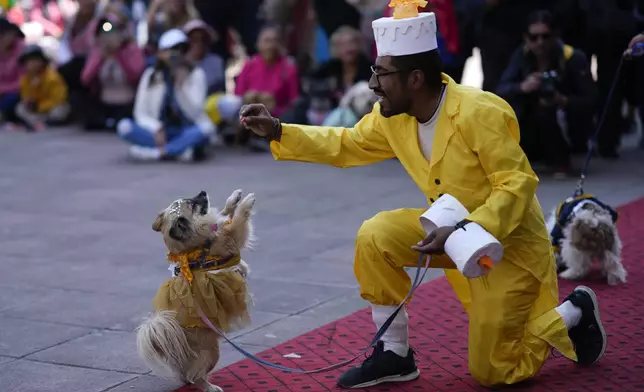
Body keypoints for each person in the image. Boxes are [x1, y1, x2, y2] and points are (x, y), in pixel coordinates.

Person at [239, 4, 607, 390]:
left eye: (381, 73)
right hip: (450, 236)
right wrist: (278, 130)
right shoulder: (391, 116)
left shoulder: (479, 111)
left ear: (415, 78)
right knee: (375, 235)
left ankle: (573, 312)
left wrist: (468, 229)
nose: (372, 84)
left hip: (509, 247)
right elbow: (346, 143)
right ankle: (393, 354)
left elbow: (517, 183)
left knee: (495, 371)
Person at [496, 10, 596, 178]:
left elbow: (592, 100)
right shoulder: (522, 55)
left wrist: (562, 100)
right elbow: (500, 90)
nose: (540, 42)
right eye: (534, 37)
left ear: (555, 35)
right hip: (530, 122)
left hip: (567, 120)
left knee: (548, 110)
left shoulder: (572, 58)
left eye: (546, 36)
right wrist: (522, 87)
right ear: (525, 37)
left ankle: (562, 157)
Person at [116, 28, 213, 162]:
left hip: (185, 130)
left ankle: (159, 153)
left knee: (206, 129)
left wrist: (181, 88)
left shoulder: (196, 74)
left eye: (180, 50)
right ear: (161, 53)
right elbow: (140, 112)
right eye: (171, 50)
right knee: (124, 126)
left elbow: (195, 113)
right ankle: (180, 151)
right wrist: (156, 128)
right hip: (160, 132)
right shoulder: (151, 75)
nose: (175, 55)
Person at [234, 24, 299, 152]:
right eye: (267, 41)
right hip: (249, 109)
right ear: (259, 45)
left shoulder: (288, 67)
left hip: (276, 114)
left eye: (275, 41)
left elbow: (294, 100)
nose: (271, 45)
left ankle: (258, 135)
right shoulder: (249, 65)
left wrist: (271, 102)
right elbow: (238, 94)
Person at [79, 12, 145, 131]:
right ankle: (106, 122)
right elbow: (85, 79)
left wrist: (118, 55)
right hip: (104, 102)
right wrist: (101, 58)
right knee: (78, 98)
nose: (109, 37)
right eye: (104, 33)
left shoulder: (132, 50)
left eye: (113, 32)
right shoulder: (97, 53)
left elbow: (136, 76)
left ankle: (114, 122)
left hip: (127, 101)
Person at [15, 44, 69, 130]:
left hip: (51, 107)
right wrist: (30, 98)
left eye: (35, 60)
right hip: (37, 110)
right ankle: (37, 122)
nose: (32, 64)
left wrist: (40, 107)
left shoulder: (52, 77)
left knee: (60, 110)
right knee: (20, 108)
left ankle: (42, 122)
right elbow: (26, 97)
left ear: (43, 61)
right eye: (29, 61)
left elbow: (58, 99)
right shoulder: (25, 80)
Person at [183, 19, 225, 94]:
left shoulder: (216, 62)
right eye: (195, 39)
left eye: (203, 39)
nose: (199, 43)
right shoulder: (180, 64)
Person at [0, 17, 25, 125]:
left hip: (18, 91)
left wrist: (3, 89)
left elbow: (24, 80)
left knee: (10, 101)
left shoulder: (21, 50)